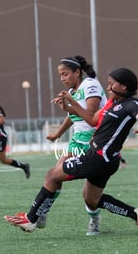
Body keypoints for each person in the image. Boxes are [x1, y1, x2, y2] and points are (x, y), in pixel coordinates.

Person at [5, 68, 138, 235]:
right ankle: (135, 213)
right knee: (92, 200)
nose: (108, 87)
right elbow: (91, 120)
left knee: (52, 175)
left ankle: (32, 219)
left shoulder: (131, 104)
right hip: (105, 160)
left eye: (112, 84)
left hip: (98, 158)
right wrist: (70, 106)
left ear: (124, 87)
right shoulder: (111, 103)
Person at [42, 55, 106, 235]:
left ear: (77, 72)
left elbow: (91, 116)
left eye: (65, 74)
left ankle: (94, 219)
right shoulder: (72, 92)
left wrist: (71, 104)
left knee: (89, 197)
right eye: (60, 75)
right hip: (77, 141)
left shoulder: (90, 85)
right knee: (54, 174)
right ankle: (42, 212)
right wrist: (57, 134)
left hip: (95, 141)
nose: (62, 78)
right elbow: (73, 116)